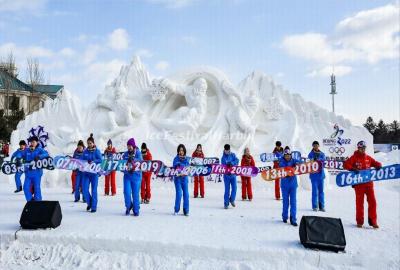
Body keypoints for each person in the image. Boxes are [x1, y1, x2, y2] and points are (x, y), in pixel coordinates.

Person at [344, 141, 382, 229]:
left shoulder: (368, 158)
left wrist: (379, 165)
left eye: (364, 148)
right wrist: (352, 169)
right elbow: (346, 164)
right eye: (361, 148)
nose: (363, 150)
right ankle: (359, 222)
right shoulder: (354, 157)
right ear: (358, 148)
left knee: (373, 202)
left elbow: (376, 163)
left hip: (369, 184)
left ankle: (373, 221)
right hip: (359, 185)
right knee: (359, 203)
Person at [22, 136, 49, 201]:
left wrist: (39, 156)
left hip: (37, 173)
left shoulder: (40, 149)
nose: (32, 143)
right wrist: (18, 159)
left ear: (37, 142)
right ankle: (30, 201)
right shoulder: (27, 150)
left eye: (33, 142)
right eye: (31, 142)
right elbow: (21, 155)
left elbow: (46, 154)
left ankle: (38, 201)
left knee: (37, 188)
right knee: (26, 188)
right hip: (28, 173)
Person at [279, 148, 300, 226]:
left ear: (291, 155)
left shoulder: (294, 160)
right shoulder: (281, 161)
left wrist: (297, 164)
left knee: (293, 202)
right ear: (284, 155)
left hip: (293, 184)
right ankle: (284, 216)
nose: (287, 157)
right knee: (285, 201)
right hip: (284, 185)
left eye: (289, 155)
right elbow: (282, 166)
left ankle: (293, 218)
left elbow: (300, 163)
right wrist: (292, 167)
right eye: (286, 155)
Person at [82, 134, 102, 213]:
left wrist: (94, 161)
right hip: (86, 174)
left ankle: (94, 206)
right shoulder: (85, 151)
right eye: (88, 143)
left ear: (93, 143)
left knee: (94, 190)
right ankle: (89, 203)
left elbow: (100, 160)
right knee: (84, 189)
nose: (89, 145)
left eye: (90, 143)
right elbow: (82, 161)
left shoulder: (97, 151)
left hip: (94, 174)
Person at [122, 138, 143, 216]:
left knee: (135, 194)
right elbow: (121, 166)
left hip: (136, 177)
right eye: (128, 146)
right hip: (127, 176)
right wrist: (126, 170)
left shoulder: (138, 153)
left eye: (130, 145)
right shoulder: (125, 154)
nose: (129, 147)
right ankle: (128, 206)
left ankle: (136, 209)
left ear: (133, 146)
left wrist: (133, 160)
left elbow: (141, 162)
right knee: (126, 192)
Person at [308, 141, 326, 211]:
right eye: (314, 145)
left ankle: (322, 206)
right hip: (314, 176)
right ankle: (315, 206)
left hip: (321, 175)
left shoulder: (322, 154)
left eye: (317, 145)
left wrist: (318, 159)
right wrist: (313, 159)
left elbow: (324, 160)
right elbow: (309, 160)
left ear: (319, 146)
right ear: (312, 146)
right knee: (314, 191)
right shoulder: (310, 154)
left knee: (321, 191)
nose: (315, 146)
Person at [173, 144, 190, 216]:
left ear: (184, 151)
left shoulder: (187, 159)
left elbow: (188, 168)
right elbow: (174, 166)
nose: (181, 152)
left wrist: (183, 167)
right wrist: (177, 165)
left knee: (186, 194)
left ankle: (186, 210)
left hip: (185, 179)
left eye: (182, 150)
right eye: (180, 150)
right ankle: (176, 209)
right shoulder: (176, 158)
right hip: (177, 179)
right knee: (179, 194)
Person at [221, 144, 239, 209]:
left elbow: (237, 160)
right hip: (226, 176)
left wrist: (232, 163)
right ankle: (226, 203)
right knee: (227, 190)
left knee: (235, 188)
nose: (227, 151)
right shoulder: (223, 157)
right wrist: (226, 165)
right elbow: (223, 166)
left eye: (228, 150)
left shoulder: (233, 155)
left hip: (233, 175)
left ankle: (232, 199)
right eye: (226, 150)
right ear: (224, 150)